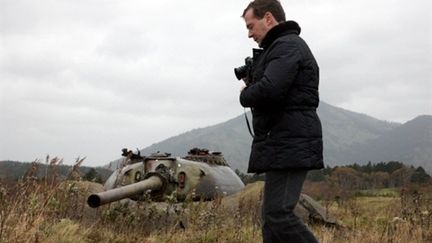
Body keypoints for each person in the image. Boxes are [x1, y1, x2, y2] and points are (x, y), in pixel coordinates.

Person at [239, 0, 324, 242]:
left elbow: (270, 90)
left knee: (279, 214)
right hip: (283, 141)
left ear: (268, 18)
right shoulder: (280, 47)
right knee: (270, 218)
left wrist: (245, 93)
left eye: (250, 26)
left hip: (291, 141)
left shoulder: (287, 46)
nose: (249, 34)